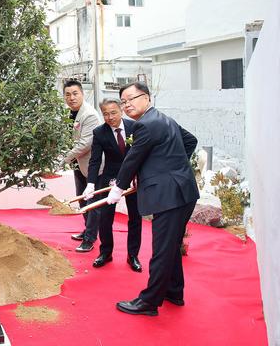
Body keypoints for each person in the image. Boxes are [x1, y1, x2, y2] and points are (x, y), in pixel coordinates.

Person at [105, 81, 199, 316]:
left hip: (170, 196)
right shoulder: (163, 119)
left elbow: (132, 160)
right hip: (183, 191)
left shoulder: (145, 125)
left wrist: (118, 189)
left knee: (162, 248)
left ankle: (149, 302)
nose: (127, 105)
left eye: (131, 99)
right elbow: (190, 141)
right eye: (123, 102)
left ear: (147, 98)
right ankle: (174, 291)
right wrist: (171, 166)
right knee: (171, 245)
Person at [83, 98, 142, 272]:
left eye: (113, 112)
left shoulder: (135, 127)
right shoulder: (99, 132)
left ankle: (133, 255)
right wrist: (91, 183)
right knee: (105, 218)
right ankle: (105, 253)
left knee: (135, 218)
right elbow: (94, 161)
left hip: (134, 179)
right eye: (105, 114)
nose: (110, 117)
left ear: (121, 110)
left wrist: (139, 176)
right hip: (110, 178)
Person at [61, 80, 102, 252]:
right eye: (68, 94)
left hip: (93, 165)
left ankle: (90, 239)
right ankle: (87, 230)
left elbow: (85, 143)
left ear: (82, 94)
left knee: (92, 202)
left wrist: (64, 159)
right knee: (81, 199)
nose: (71, 98)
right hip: (78, 164)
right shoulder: (69, 113)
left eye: (75, 93)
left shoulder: (90, 115)